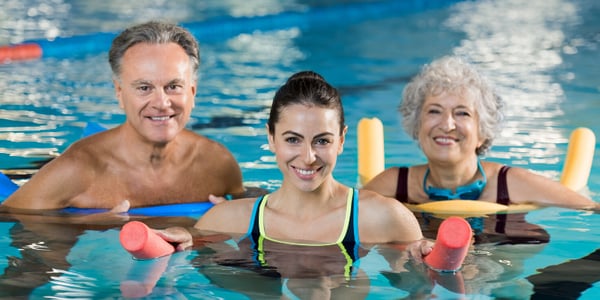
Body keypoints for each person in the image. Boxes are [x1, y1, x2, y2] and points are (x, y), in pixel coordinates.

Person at [153, 71, 433, 298]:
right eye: (292, 139)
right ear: (271, 138)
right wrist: (185, 237)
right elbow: (193, 253)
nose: (308, 157)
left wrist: (430, 264)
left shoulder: (384, 217)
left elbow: (418, 290)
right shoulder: (231, 218)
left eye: (322, 140)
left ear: (342, 140)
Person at [1, 21, 254, 210]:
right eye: (144, 88)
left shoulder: (217, 163)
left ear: (192, 92)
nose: (162, 103)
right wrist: (86, 222)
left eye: (173, 86)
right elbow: (10, 215)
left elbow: (255, 212)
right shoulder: (77, 170)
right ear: (120, 93)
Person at [363, 55, 599, 212]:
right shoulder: (394, 185)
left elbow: (590, 209)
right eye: (434, 111)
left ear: (483, 132)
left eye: (462, 113)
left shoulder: (510, 183)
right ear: (416, 124)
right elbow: (339, 215)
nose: (447, 124)